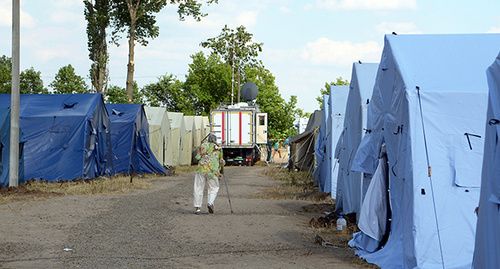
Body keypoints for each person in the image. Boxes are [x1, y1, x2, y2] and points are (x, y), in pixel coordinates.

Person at [193, 133, 225, 214]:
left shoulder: (202, 146)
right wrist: (221, 170)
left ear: (208, 140)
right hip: (213, 171)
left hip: (201, 169)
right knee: (214, 188)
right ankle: (210, 203)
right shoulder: (219, 148)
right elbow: (221, 161)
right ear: (215, 140)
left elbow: (197, 157)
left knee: (198, 187)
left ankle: (198, 208)